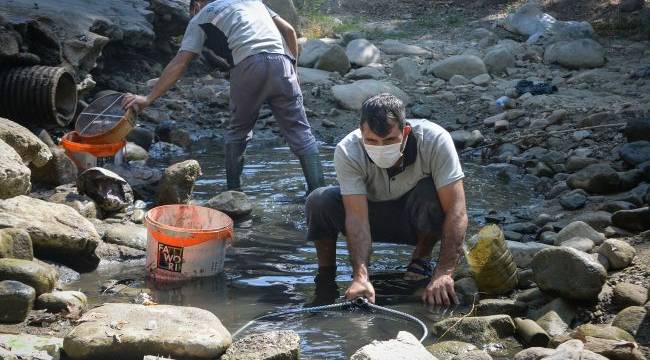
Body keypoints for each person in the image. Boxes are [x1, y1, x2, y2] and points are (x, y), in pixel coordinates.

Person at [122, 0, 324, 194]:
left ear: (196, 5)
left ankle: (234, 192)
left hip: (248, 66)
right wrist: (294, 71)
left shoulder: (201, 16)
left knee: (238, 132)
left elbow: (181, 62)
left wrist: (148, 98)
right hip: (282, 63)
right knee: (301, 133)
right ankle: (317, 191)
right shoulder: (251, 2)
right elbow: (288, 30)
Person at [305, 93, 468, 306]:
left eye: (390, 140)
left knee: (431, 191)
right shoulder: (348, 149)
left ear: (406, 132)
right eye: (371, 141)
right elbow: (356, 218)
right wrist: (361, 276)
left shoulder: (435, 140)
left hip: (416, 219)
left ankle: (421, 259)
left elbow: (457, 211)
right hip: (372, 216)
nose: (380, 148)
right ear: (361, 133)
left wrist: (445, 272)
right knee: (319, 200)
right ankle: (326, 276)